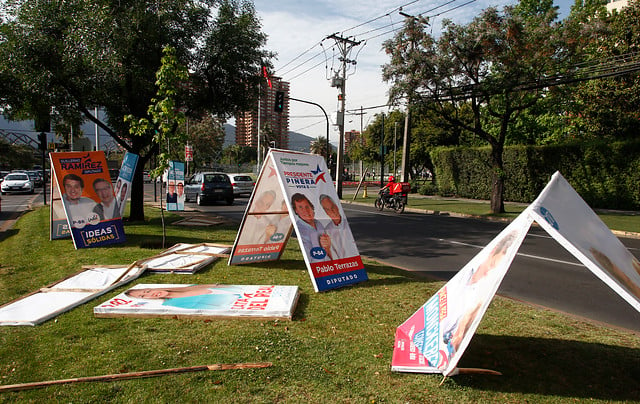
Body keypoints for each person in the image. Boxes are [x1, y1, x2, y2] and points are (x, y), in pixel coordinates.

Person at [125, 284, 243, 310]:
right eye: (144, 296)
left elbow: (237, 289)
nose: (151, 294)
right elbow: (227, 308)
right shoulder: (175, 304)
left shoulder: (191, 287)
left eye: (147, 290)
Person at [291, 193, 332, 261]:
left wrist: (327, 248)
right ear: (296, 211)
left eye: (307, 206)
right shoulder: (300, 230)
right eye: (300, 207)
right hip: (319, 268)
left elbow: (328, 252)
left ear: (312, 207)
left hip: (329, 267)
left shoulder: (318, 224)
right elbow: (312, 260)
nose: (306, 211)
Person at [319, 194, 359, 259]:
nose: (331, 211)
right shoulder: (327, 231)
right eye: (327, 210)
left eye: (332, 208)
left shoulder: (348, 224)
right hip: (341, 265)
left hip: (355, 263)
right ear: (326, 212)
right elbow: (331, 256)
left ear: (337, 207)